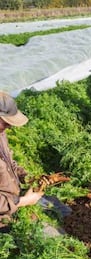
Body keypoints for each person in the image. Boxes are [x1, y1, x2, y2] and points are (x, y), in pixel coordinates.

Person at [0, 91, 44, 231]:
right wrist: (22, 202)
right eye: (6, 123)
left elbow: (9, 163)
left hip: (13, 201)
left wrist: (26, 177)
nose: (9, 127)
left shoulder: (1, 134)